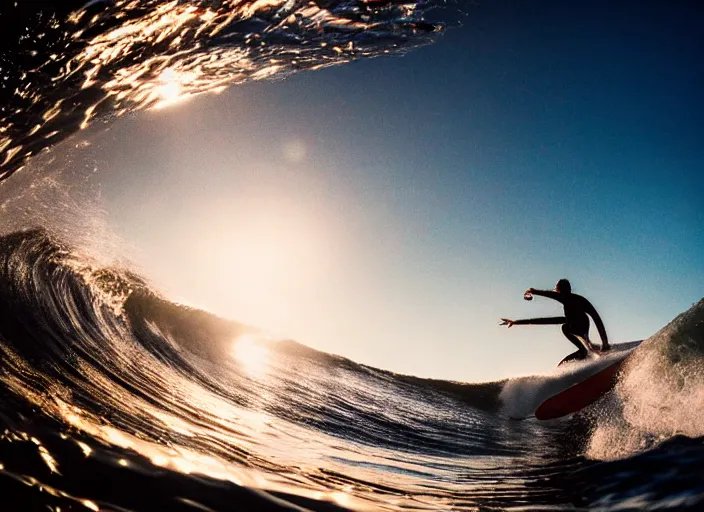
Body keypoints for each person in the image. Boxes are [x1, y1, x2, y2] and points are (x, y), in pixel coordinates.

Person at [500, 279, 610, 362]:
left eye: (560, 292)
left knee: (566, 327)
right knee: (566, 328)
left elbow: (597, 319)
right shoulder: (568, 314)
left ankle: (587, 349)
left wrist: (605, 343)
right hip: (576, 327)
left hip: (581, 326)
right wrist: (515, 322)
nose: (559, 295)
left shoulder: (580, 301)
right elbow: (543, 320)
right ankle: (585, 350)